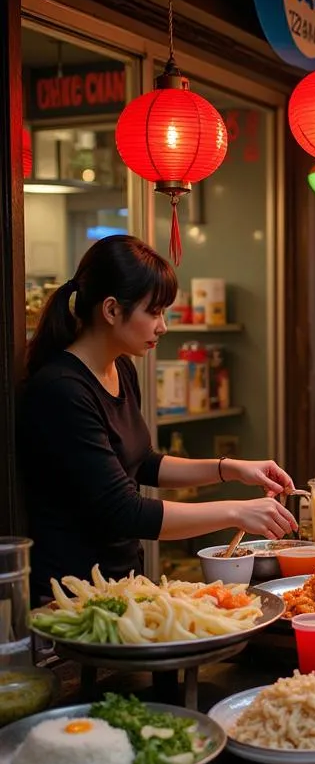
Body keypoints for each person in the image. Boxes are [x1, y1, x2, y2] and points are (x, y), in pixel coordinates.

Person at [19, 236, 297, 605]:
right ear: (112, 310)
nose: (162, 326)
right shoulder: (61, 390)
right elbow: (124, 511)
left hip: (120, 586)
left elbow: (143, 461)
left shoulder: (120, 368)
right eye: (154, 312)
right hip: (71, 597)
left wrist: (231, 469)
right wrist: (237, 512)